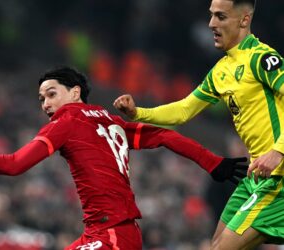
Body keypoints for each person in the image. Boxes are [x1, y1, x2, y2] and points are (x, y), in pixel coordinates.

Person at [0, 67, 247, 250]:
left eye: (52, 93)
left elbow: (14, 164)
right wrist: (213, 162)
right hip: (114, 233)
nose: (45, 103)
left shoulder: (67, 123)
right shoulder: (111, 121)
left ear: (74, 93)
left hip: (111, 234)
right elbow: (163, 135)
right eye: (41, 98)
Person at [114, 0, 284, 249]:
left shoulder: (262, 59)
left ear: (244, 20)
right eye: (211, 16)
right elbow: (184, 110)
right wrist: (138, 112)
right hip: (256, 176)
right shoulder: (221, 71)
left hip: (278, 177)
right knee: (215, 244)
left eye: (221, 17)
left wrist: (279, 150)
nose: (211, 24)